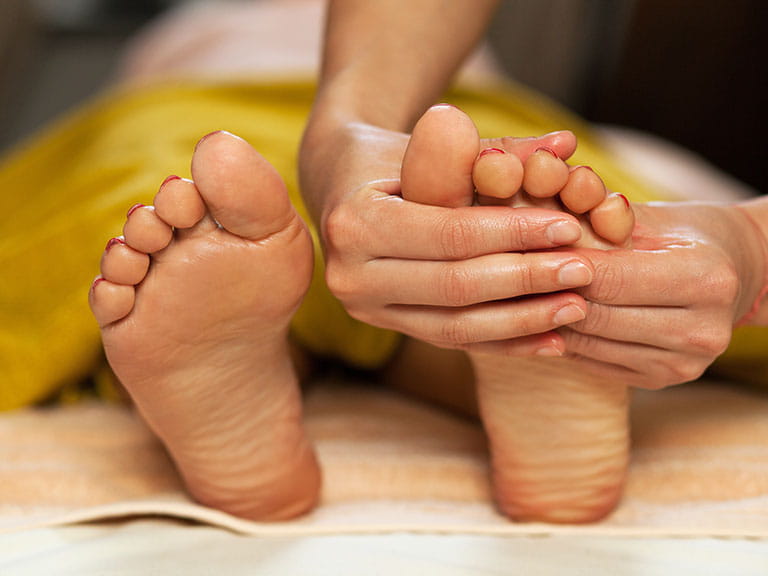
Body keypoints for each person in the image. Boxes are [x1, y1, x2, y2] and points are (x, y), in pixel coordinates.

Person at [3, 0, 766, 523]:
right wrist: (344, 131)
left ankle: (230, 400)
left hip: (190, 110)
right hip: (483, 124)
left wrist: (755, 251)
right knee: (507, 252)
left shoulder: (198, 28)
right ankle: (539, 336)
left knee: (163, 212)